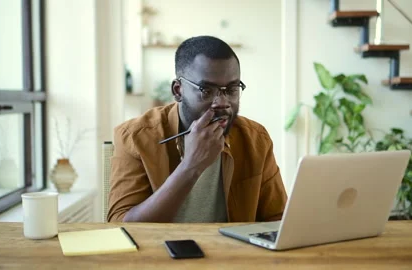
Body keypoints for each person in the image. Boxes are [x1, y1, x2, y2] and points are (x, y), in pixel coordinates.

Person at [108, 36, 287, 223]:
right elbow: (121, 225)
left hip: (231, 251)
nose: (222, 103)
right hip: (161, 250)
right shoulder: (135, 137)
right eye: (206, 91)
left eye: (232, 89)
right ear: (178, 90)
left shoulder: (256, 139)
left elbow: (277, 219)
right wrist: (191, 166)